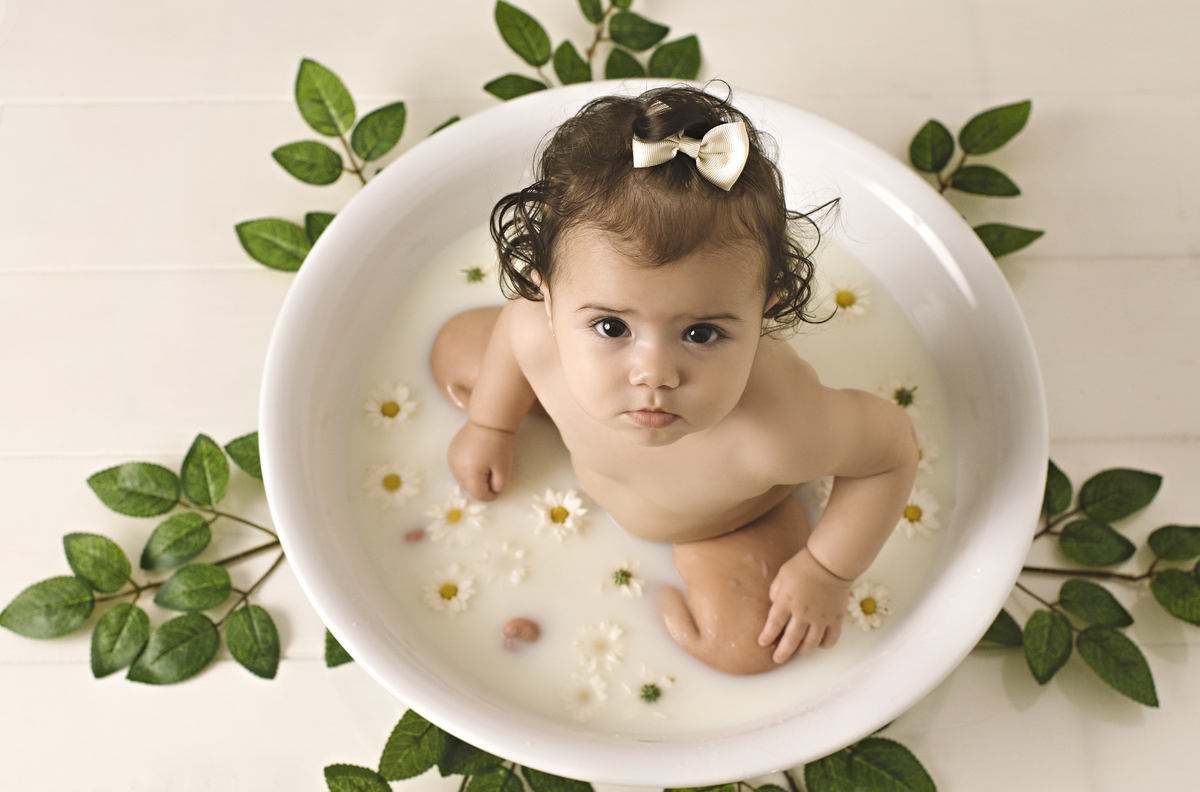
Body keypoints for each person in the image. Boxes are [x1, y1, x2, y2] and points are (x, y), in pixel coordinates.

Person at [429, 85, 917, 675]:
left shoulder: (779, 432)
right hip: (583, 417)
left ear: (764, 310)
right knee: (458, 346)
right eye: (612, 326)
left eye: (702, 333)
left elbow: (890, 452)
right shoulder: (533, 329)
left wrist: (827, 569)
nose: (654, 374)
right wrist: (491, 423)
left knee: (747, 645)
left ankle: (769, 532)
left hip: (725, 522)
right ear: (549, 300)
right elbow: (513, 329)